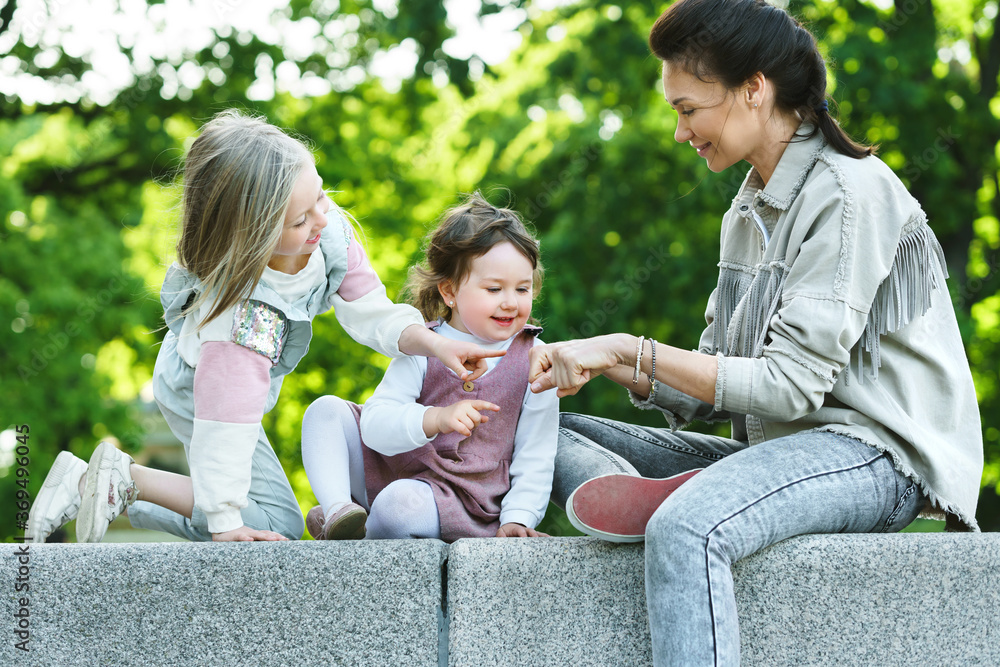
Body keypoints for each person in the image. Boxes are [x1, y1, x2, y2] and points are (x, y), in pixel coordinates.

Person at [527, 0, 984, 664]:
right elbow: (716, 384)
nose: (681, 132)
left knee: (687, 529)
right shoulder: (748, 208)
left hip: (874, 453)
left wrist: (630, 347)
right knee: (542, 425)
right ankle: (676, 491)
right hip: (775, 449)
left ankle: (692, 503)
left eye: (688, 109)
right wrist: (606, 364)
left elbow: (790, 386)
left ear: (754, 89)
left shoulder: (849, 194)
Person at [26, 110, 501, 544]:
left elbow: (370, 312)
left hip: (236, 389)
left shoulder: (327, 233)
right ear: (253, 233)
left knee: (274, 521)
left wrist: (434, 343)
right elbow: (225, 425)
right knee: (274, 526)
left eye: (320, 194)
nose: (322, 217)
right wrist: (226, 523)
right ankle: (122, 483)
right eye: (300, 219)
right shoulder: (243, 320)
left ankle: (115, 484)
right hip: (199, 388)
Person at [301, 192, 558, 542]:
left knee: (397, 505)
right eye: (494, 288)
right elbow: (374, 426)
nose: (510, 302)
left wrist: (518, 517)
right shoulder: (424, 345)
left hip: (459, 500)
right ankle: (338, 513)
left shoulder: (535, 358)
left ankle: (363, 536)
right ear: (450, 291)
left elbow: (536, 452)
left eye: (523, 289)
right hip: (389, 471)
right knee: (324, 411)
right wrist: (434, 419)